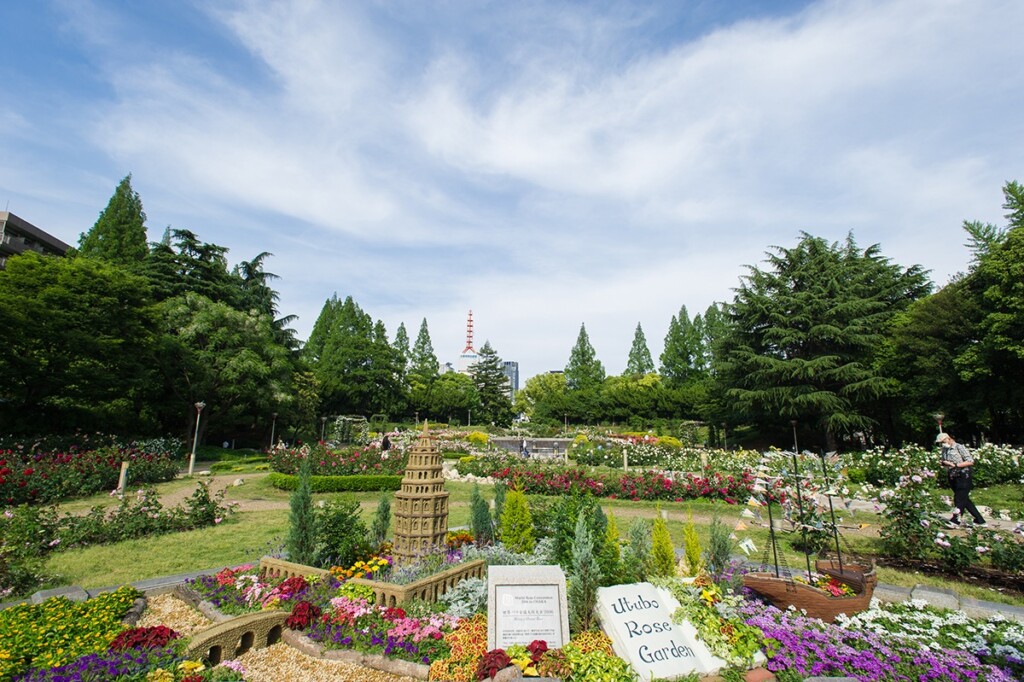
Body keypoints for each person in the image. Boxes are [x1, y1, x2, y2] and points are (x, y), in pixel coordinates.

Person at [937, 432, 985, 527]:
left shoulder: (959, 447)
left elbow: (970, 461)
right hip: (953, 476)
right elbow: (943, 461)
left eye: (943, 441)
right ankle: (980, 520)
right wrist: (944, 462)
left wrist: (956, 465)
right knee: (964, 499)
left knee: (959, 499)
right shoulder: (945, 449)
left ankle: (955, 520)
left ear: (948, 438)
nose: (941, 444)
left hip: (963, 475)